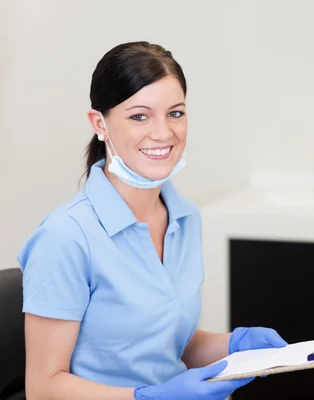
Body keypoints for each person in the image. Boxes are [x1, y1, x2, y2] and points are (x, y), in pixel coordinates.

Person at [17, 41, 287, 400]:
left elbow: (166, 345)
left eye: (175, 113)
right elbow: (42, 387)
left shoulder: (186, 218)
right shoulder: (66, 237)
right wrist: (147, 397)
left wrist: (235, 344)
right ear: (100, 123)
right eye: (139, 116)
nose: (163, 133)